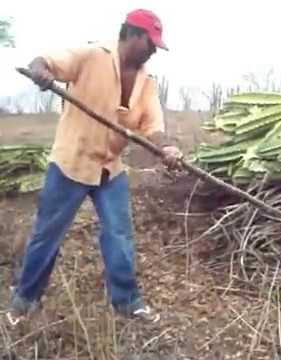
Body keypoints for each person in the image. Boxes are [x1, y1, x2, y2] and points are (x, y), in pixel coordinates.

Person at [7, 9, 182, 325]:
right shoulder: (91, 56)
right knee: (47, 236)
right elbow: (43, 61)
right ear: (131, 35)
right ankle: (23, 301)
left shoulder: (147, 82)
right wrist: (41, 72)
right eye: (149, 42)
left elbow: (153, 125)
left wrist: (165, 147)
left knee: (119, 234)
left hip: (109, 169)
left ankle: (128, 302)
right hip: (70, 164)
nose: (153, 50)